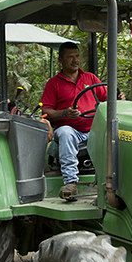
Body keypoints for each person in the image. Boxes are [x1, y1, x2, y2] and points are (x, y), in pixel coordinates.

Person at [41, 42, 107, 201]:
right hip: (70, 130)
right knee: (65, 132)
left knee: (115, 131)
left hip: (93, 128)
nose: (75, 60)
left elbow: (106, 97)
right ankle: (70, 182)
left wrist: (119, 97)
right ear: (61, 60)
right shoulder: (54, 83)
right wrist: (65, 113)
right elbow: (46, 111)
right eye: (70, 57)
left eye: (77, 56)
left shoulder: (90, 78)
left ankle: (110, 180)